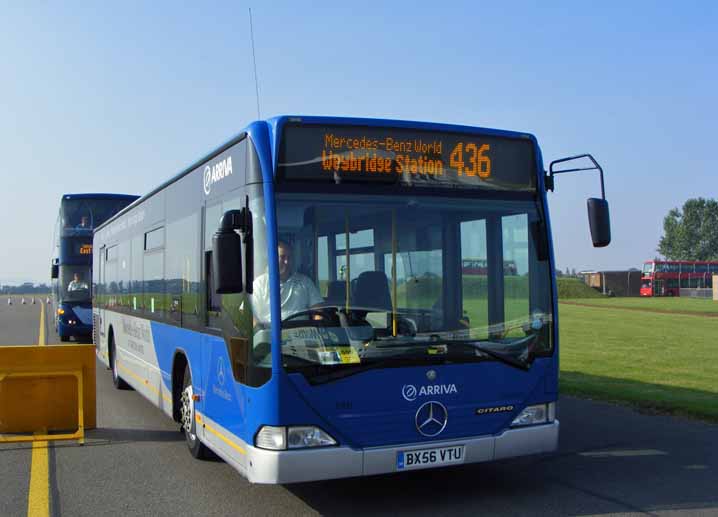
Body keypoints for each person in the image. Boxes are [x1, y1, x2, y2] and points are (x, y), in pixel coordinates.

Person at [252, 240, 323, 324]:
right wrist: (258, 329)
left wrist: (319, 326)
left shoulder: (305, 282)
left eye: (289, 258)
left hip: (302, 333)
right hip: (271, 333)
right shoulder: (260, 283)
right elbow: (249, 312)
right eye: (282, 257)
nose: (286, 262)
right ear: (272, 258)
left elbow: (318, 310)